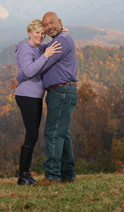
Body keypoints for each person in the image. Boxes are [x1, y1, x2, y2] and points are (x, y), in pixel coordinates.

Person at [15, 12, 78, 186]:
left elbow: (42, 65)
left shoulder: (62, 40)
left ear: (60, 22)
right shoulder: (58, 40)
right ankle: (67, 174)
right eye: (45, 26)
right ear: (29, 32)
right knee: (62, 133)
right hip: (59, 91)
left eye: (52, 24)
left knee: (53, 134)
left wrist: (20, 77)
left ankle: (52, 177)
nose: (48, 28)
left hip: (61, 92)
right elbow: (41, 53)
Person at [14, 18, 61, 185]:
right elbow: (29, 71)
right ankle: (23, 176)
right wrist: (46, 56)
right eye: (37, 33)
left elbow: (45, 47)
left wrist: (62, 33)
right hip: (28, 96)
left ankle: (25, 175)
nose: (40, 36)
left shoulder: (36, 47)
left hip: (34, 96)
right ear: (29, 33)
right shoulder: (26, 49)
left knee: (32, 135)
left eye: (42, 33)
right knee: (32, 135)